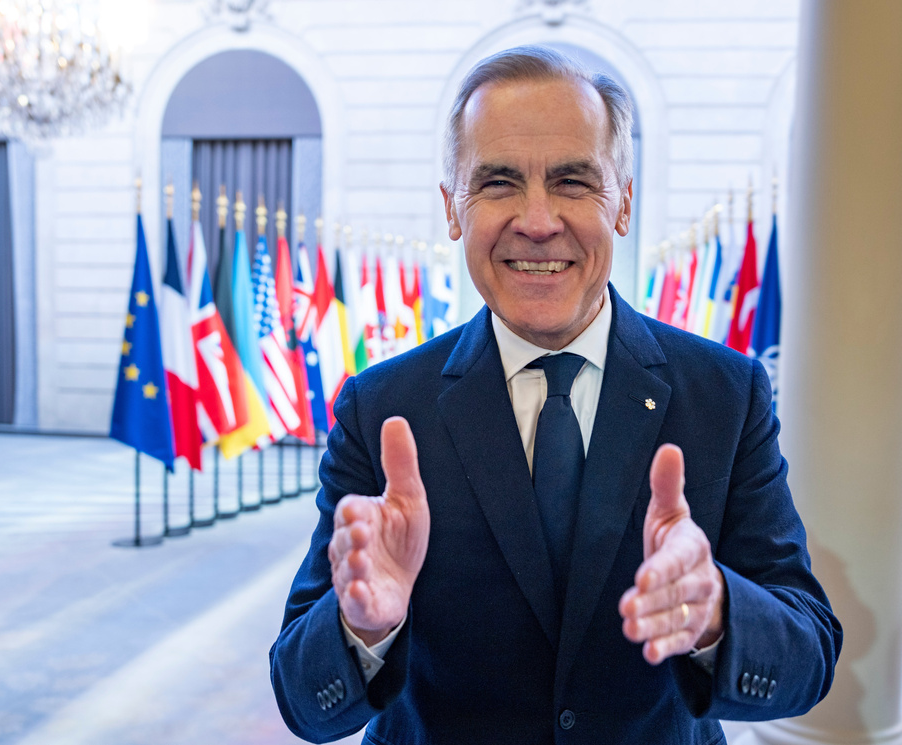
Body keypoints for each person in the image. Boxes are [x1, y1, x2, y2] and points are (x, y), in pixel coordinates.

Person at [270, 46, 841, 744]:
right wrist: (362, 628)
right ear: (452, 209)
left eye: (573, 181)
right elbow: (303, 700)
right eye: (498, 183)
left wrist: (717, 611)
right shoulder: (381, 409)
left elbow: (810, 652)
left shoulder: (725, 395)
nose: (537, 221)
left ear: (622, 202)